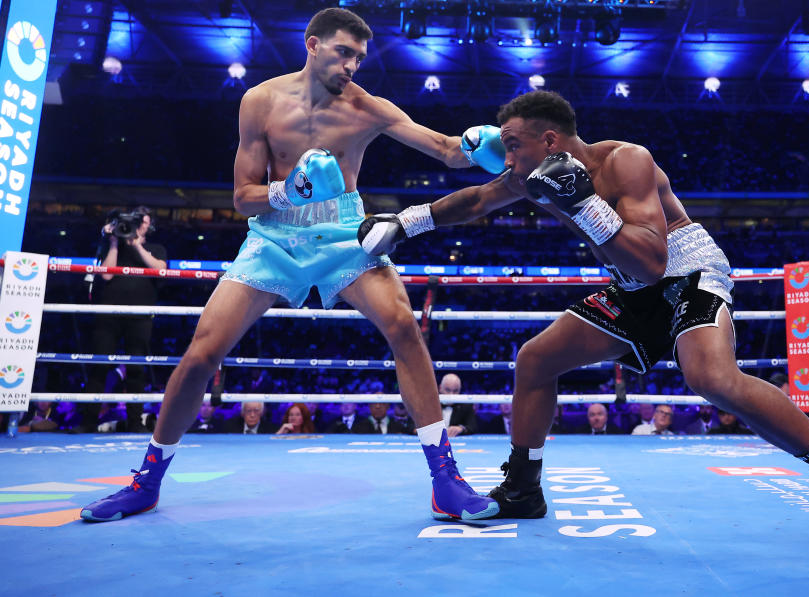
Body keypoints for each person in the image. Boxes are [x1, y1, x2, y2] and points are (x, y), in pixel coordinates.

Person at [358, 90, 809, 568]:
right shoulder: (529, 176)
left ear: (551, 141)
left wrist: (585, 201)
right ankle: (524, 488)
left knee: (711, 378)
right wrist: (405, 222)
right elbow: (476, 199)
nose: (506, 155)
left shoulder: (627, 161)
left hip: (685, 271)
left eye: (513, 143)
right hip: (632, 286)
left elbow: (651, 259)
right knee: (535, 360)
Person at [80, 8, 501, 524]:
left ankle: (445, 482)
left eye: (360, 58)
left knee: (405, 328)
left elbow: (444, 150)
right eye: (344, 52)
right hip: (274, 235)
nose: (352, 66)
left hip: (345, 232)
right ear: (313, 44)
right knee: (201, 353)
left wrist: (483, 147)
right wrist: (290, 190)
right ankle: (145, 482)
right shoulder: (259, 101)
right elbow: (242, 197)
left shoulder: (368, 108)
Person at [77, 206, 167, 433]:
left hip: (140, 315)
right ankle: (88, 422)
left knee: (136, 369)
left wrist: (136, 244)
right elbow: (106, 274)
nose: (138, 225)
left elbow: (160, 270)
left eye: (142, 221)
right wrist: (115, 242)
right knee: (99, 367)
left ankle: (136, 423)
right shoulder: (110, 246)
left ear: (149, 226)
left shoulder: (155, 248)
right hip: (109, 315)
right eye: (135, 221)